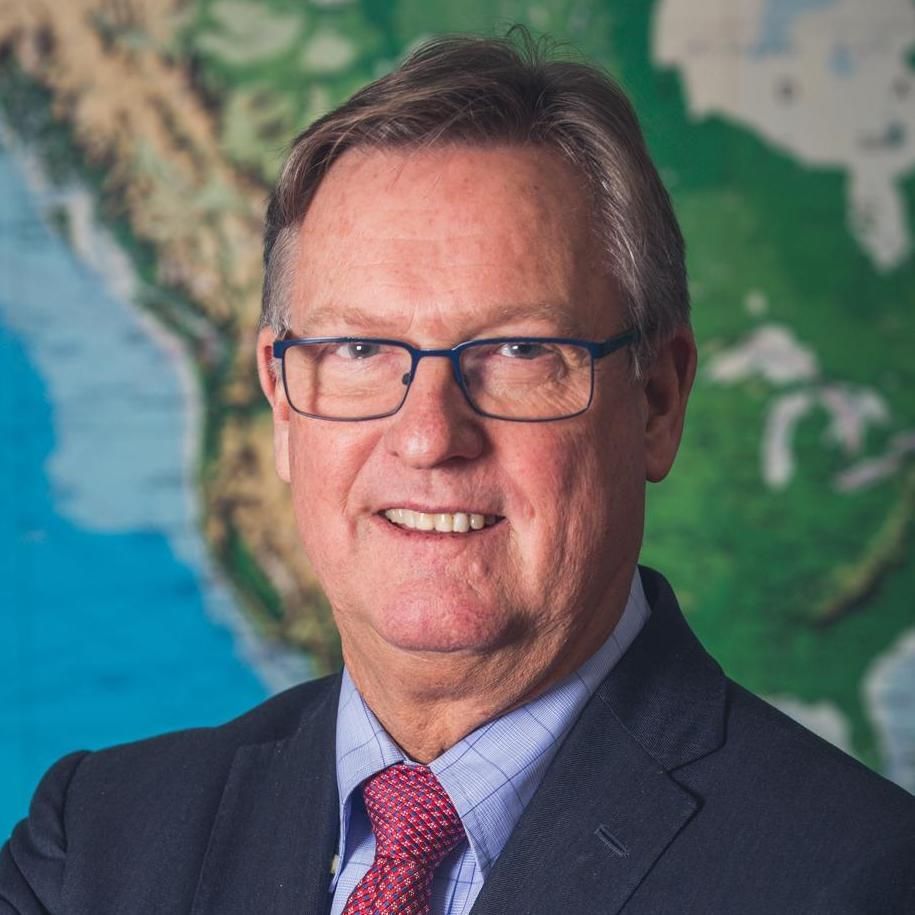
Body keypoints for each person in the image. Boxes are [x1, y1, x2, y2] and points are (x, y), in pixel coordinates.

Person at [2, 31, 914, 915]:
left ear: (658, 402)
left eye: (519, 349)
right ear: (282, 401)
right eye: (358, 347)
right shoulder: (92, 846)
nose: (429, 436)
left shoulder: (861, 880)